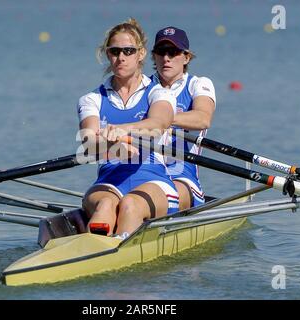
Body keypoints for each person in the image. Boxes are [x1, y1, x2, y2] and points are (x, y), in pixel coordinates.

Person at [77, 18, 179, 239]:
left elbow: (158, 124)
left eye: (128, 50)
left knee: (130, 205)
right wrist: (110, 143)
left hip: (154, 180)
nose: (121, 57)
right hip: (109, 181)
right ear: (107, 54)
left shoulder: (159, 93)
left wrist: (122, 130)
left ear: (141, 54)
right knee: (105, 205)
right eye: (114, 51)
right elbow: (88, 145)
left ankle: (119, 261)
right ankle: (92, 254)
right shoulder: (91, 99)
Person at [151, 26, 216, 210]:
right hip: (145, 172)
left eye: (173, 52)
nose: (166, 58)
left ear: (186, 57)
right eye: (161, 52)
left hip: (182, 177)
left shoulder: (198, 84)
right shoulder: (142, 87)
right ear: (153, 56)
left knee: (158, 194)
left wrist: (160, 119)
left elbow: (203, 118)